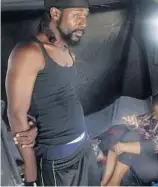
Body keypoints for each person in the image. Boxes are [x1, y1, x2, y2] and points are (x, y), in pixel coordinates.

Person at [5, 0, 100, 186]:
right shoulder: (29, 52)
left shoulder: (66, 51)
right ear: (56, 13)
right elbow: (16, 113)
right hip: (59, 162)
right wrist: (31, 175)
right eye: (77, 15)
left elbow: (54, 98)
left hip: (84, 148)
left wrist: (36, 128)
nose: (83, 22)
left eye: (85, 15)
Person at [99, 92, 158, 186]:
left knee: (131, 139)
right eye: (157, 113)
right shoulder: (157, 116)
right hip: (152, 155)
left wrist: (122, 146)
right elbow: (141, 122)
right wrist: (132, 122)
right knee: (119, 130)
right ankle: (105, 181)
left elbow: (151, 146)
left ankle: (114, 183)